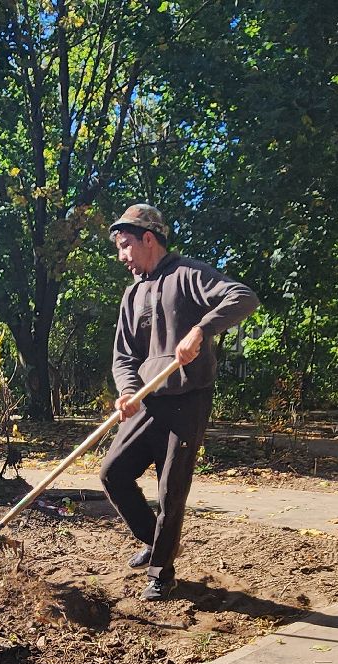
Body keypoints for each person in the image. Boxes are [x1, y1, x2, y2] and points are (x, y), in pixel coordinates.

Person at [99, 204, 259, 601]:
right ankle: (156, 541)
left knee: (170, 489)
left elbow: (244, 297)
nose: (122, 256)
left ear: (147, 239)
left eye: (125, 246)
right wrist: (126, 390)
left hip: (188, 399)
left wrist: (201, 331)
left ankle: (162, 571)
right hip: (148, 399)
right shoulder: (132, 294)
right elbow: (123, 355)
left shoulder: (187, 274)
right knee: (112, 473)